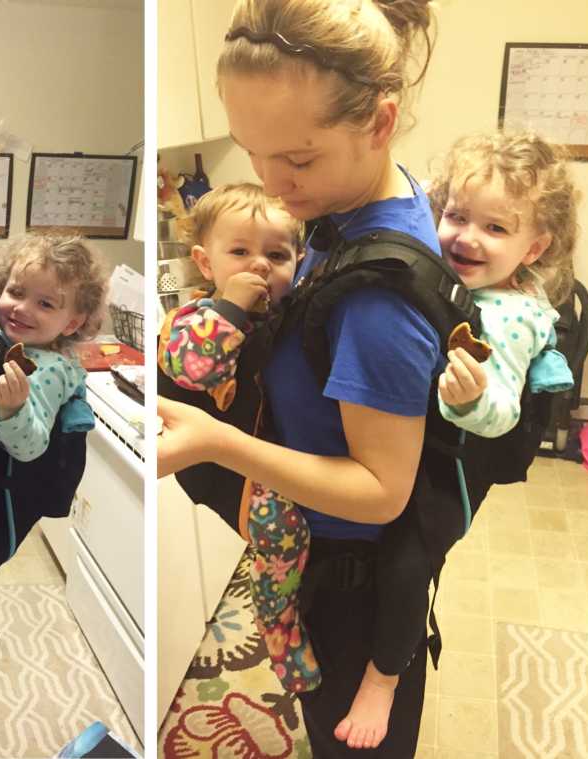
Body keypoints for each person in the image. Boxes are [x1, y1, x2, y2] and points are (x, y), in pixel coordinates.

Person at [157, 0, 442, 755]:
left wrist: (217, 442)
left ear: (378, 124)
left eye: (298, 159)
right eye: (253, 152)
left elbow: (383, 489)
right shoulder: (353, 206)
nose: (272, 182)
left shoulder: (377, 301)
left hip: (353, 579)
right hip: (322, 554)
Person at [158, 183, 323, 692]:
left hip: (275, 450)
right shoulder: (194, 318)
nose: (259, 266)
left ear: (297, 261)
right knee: (280, 535)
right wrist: (230, 306)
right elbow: (194, 365)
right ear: (206, 264)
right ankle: (278, 630)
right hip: (238, 475)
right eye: (240, 252)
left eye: (276, 255)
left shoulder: (285, 313)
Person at [428, 131, 577, 432]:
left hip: (446, 468)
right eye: (456, 216)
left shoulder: (508, 318)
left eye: (495, 227)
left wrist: (471, 401)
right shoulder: (512, 279)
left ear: (534, 249)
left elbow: (506, 411)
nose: (467, 238)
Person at [0, 232, 107, 461]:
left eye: (45, 304)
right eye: (16, 292)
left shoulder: (49, 369)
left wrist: (12, 409)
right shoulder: (25, 338)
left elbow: (31, 447)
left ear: (72, 323)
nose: (21, 308)